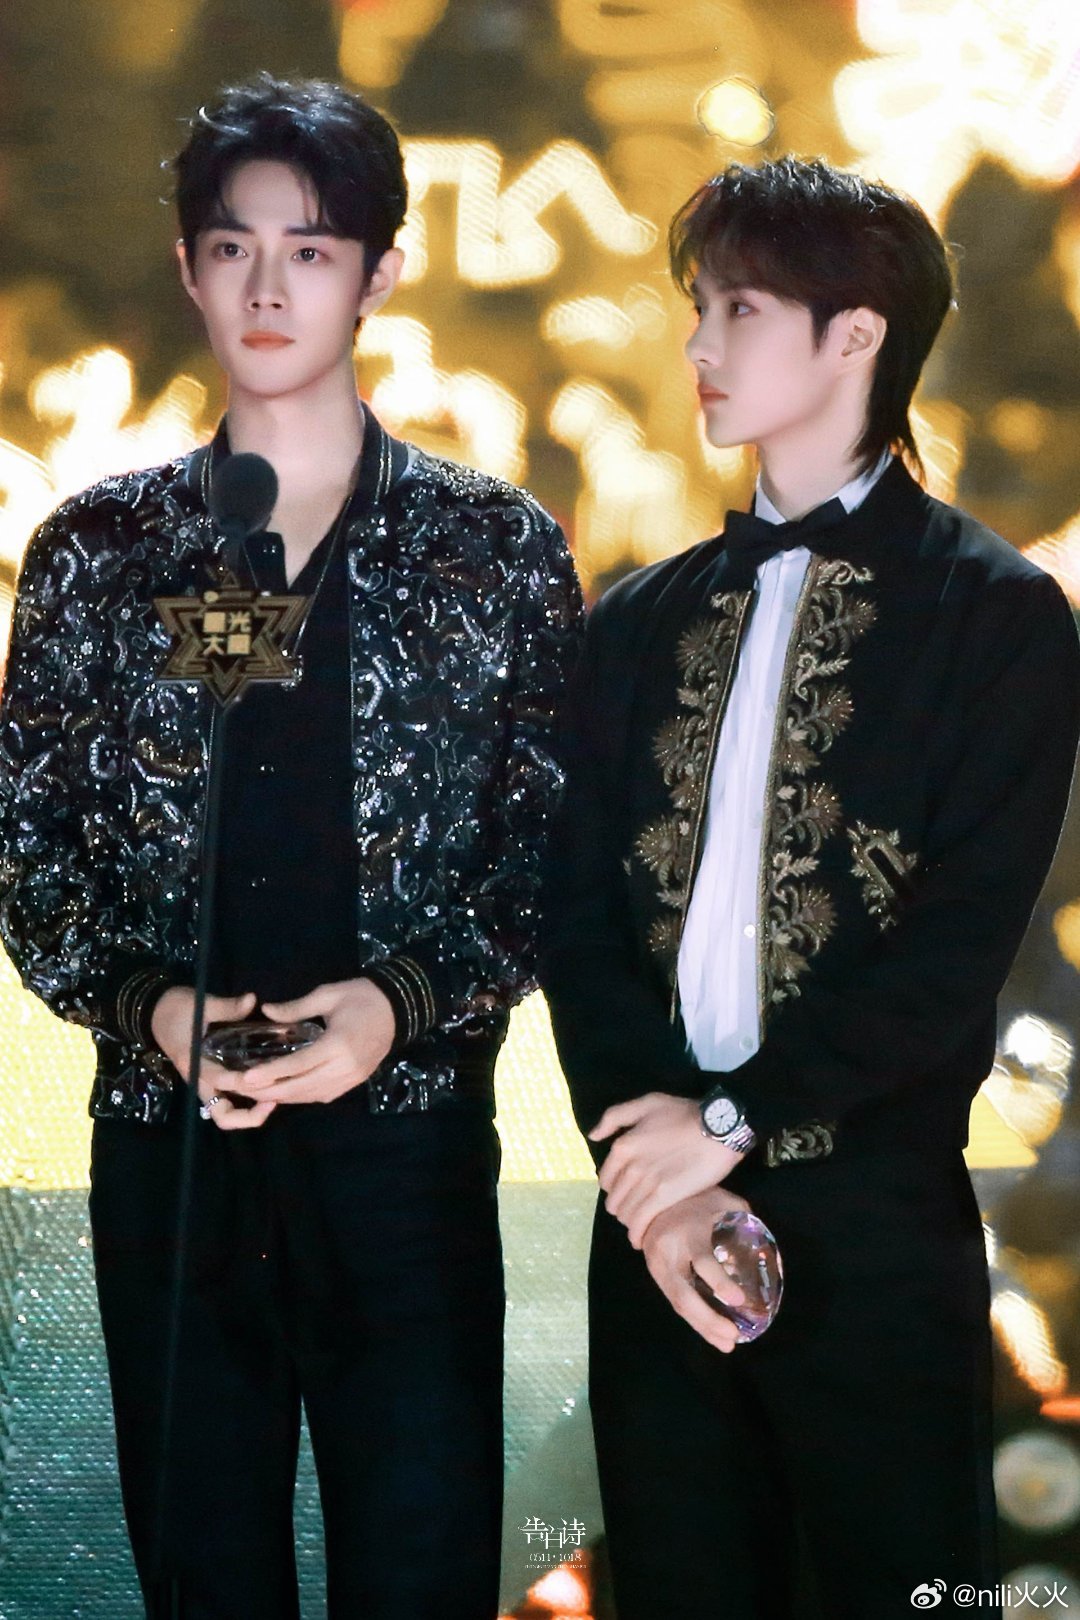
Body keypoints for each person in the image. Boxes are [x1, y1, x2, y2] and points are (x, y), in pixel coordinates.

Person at [0, 73, 583, 1620]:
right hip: (170, 1147)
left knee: (422, 1569)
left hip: (406, 1143)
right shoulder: (98, 552)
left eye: (311, 250)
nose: (269, 288)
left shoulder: (493, 546)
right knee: (202, 1578)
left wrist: (395, 1006)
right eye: (234, 247)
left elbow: (543, 856)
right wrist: (155, 1010)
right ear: (189, 268)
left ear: (379, 272)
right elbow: (31, 855)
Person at [541, 156, 1080, 1619]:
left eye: (740, 309)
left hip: (874, 1234)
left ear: (856, 335)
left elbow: (953, 955)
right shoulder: (637, 619)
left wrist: (727, 1125)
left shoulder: (997, 616)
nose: (698, 346)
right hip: (654, 1232)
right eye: (698, 307)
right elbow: (578, 919)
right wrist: (653, 1168)